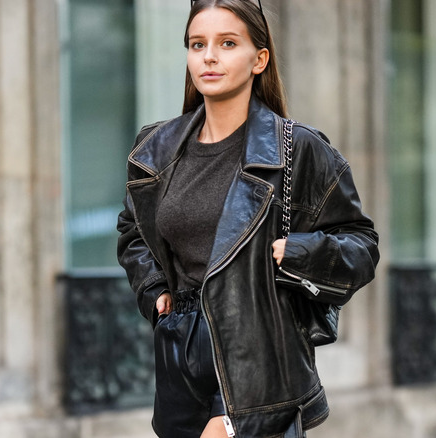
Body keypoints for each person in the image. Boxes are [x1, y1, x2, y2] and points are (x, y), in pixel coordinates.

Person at [117, 1, 380, 437]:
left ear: (259, 59)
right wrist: (154, 288)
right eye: (197, 44)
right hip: (180, 361)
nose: (209, 56)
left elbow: (361, 245)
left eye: (227, 43)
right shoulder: (156, 150)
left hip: (259, 360)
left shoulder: (298, 149)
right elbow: (133, 229)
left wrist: (298, 254)